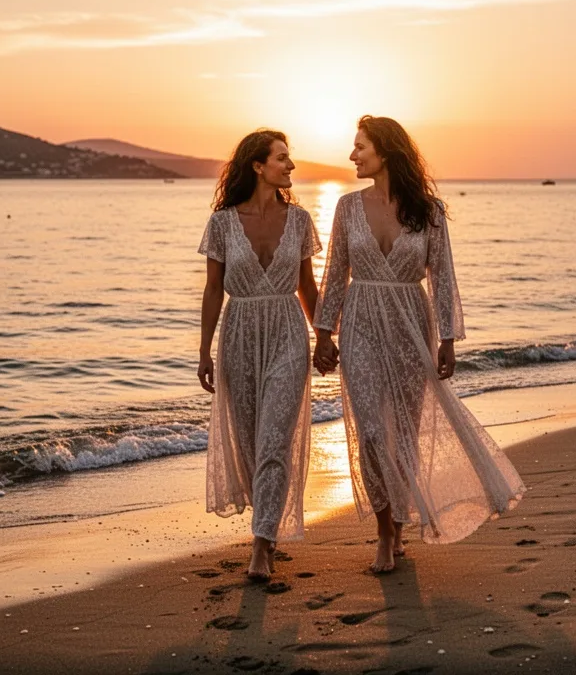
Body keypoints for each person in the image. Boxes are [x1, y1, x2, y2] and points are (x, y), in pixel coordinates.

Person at [313, 115, 525, 573]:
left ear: (386, 151)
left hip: (412, 322)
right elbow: (335, 272)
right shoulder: (347, 207)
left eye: (360, 147)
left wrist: (448, 338)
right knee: (372, 433)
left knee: (405, 434)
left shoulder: (429, 211)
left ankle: (398, 528)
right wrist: (324, 332)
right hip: (361, 321)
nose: (352, 155)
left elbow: (443, 276)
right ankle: (384, 531)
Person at [198, 129, 321, 581]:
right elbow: (213, 289)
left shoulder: (300, 220)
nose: (291, 165)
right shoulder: (222, 223)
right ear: (257, 165)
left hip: (288, 333)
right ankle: (265, 518)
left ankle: (262, 545)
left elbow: (308, 288)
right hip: (238, 336)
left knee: (274, 441)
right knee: (250, 442)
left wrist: (326, 336)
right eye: (282, 158)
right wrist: (204, 351)